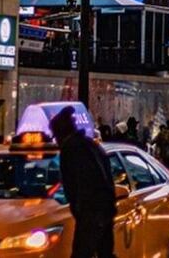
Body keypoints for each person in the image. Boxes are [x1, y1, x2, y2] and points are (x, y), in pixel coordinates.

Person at [49, 106, 116, 258]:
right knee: (104, 253)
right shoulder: (91, 146)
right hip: (103, 210)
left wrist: (81, 210)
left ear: (61, 132)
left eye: (56, 135)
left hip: (90, 214)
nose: (56, 139)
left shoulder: (72, 149)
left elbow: (81, 183)